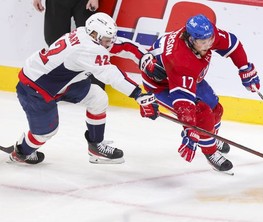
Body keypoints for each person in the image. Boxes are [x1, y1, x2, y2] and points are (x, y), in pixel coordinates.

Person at [0, 12, 158, 165]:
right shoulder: (88, 49)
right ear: (95, 35)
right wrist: (137, 94)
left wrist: (143, 56)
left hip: (61, 82)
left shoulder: (85, 33)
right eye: (106, 39)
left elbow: (122, 46)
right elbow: (111, 74)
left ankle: (96, 147)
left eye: (109, 39)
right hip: (36, 89)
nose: (109, 43)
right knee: (45, 133)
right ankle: (21, 152)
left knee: (98, 97)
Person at [136, 14, 261, 172]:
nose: (209, 44)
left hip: (190, 78)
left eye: (210, 39)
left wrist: (244, 68)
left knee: (216, 108)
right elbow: (184, 102)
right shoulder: (180, 58)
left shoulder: (206, 34)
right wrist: (190, 128)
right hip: (162, 86)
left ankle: (210, 138)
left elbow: (232, 43)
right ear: (190, 39)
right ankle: (210, 152)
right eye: (204, 42)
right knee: (203, 113)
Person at [32, 0, 105, 89]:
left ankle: (95, 88)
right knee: (55, 41)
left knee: (91, 41)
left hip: (83, 2)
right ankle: (57, 88)